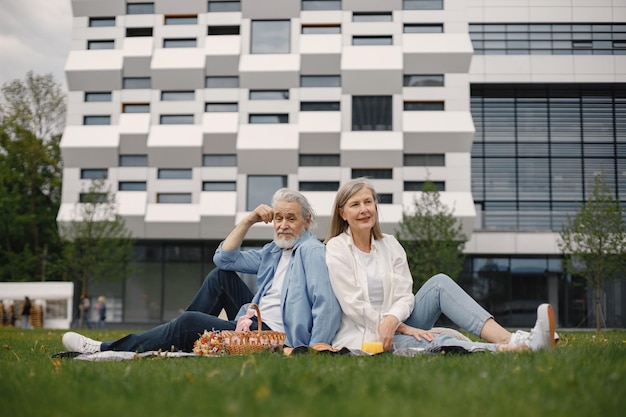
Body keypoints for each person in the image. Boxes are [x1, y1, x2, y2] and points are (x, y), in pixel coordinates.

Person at [62, 188, 342, 354]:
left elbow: (325, 304)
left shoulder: (311, 251)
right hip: (253, 319)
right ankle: (178, 339)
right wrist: (248, 220)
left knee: (188, 323)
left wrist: (313, 347)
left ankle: (104, 349)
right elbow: (224, 259)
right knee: (219, 278)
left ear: (307, 222)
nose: (282, 225)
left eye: (291, 218)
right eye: (278, 218)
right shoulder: (274, 251)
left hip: (274, 336)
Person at [324, 178, 556, 354]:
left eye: (368, 202)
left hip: (396, 323)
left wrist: (395, 321)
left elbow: (406, 296)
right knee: (431, 341)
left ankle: (510, 339)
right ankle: (516, 349)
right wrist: (399, 328)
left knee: (439, 284)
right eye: (355, 205)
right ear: (342, 213)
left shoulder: (390, 244)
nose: (364, 209)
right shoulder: (336, 248)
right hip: (365, 335)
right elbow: (353, 305)